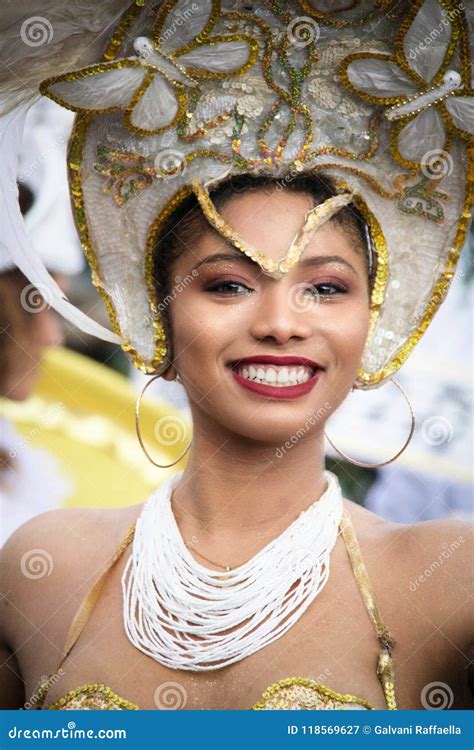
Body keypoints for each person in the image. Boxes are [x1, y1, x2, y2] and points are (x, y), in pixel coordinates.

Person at [0, 0, 472, 711]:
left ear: (372, 322)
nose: (282, 323)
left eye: (324, 288)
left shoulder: (448, 582)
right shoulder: (44, 570)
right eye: (228, 285)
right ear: (153, 315)